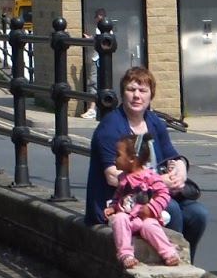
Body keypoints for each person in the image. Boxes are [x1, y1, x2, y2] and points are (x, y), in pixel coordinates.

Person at [86, 66, 208, 263]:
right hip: (121, 200)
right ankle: (169, 262)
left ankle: (186, 262)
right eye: (131, 89)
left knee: (198, 214)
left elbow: (172, 156)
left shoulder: (153, 121)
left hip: (154, 192)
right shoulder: (110, 127)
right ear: (122, 93)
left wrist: (180, 173)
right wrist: (158, 182)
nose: (137, 96)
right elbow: (112, 176)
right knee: (172, 209)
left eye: (143, 91)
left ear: (151, 95)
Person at [104, 135, 181, 268]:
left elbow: (164, 194)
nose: (114, 159)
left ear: (132, 159)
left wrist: (152, 208)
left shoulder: (150, 176)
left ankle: (168, 253)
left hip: (145, 218)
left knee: (150, 226)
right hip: (128, 218)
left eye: (118, 155)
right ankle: (125, 254)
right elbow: (118, 196)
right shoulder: (123, 178)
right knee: (119, 218)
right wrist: (113, 206)